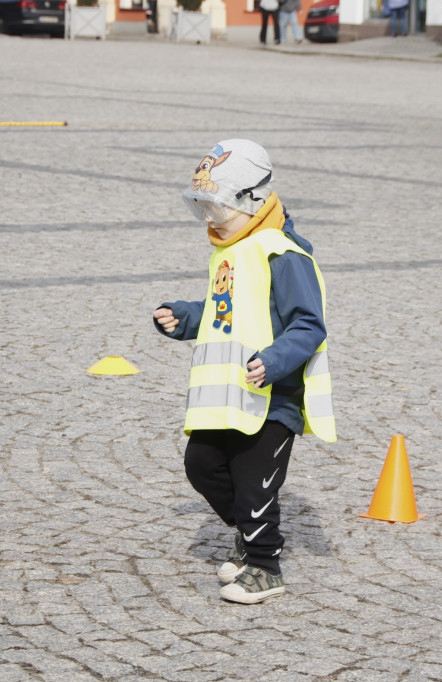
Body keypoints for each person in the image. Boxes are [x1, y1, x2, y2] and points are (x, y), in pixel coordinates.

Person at [153, 139, 336, 605]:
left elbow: (309, 325)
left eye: (218, 209)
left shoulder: (283, 253)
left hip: (272, 397)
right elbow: (225, 310)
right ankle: (252, 535)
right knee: (202, 466)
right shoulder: (231, 250)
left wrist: (274, 361)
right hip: (224, 397)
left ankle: (264, 565)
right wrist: (186, 317)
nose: (212, 221)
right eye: (204, 211)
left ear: (252, 200)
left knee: (255, 481)